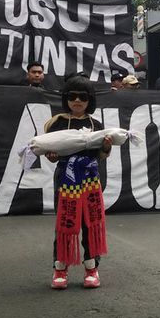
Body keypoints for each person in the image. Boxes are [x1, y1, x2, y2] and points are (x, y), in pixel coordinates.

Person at [44, 76, 112, 289]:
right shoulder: (57, 123)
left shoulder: (96, 124)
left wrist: (107, 147)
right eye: (72, 96)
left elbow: (101, 155)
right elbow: (50, 152)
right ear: (66, 98)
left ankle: (92, 268)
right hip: (65, 177)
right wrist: (52, 155)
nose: (77, 101)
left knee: (89, 222)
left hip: (90, 178)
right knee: (65, 221)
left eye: (82, 97)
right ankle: (60, 269)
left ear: (89, 100)